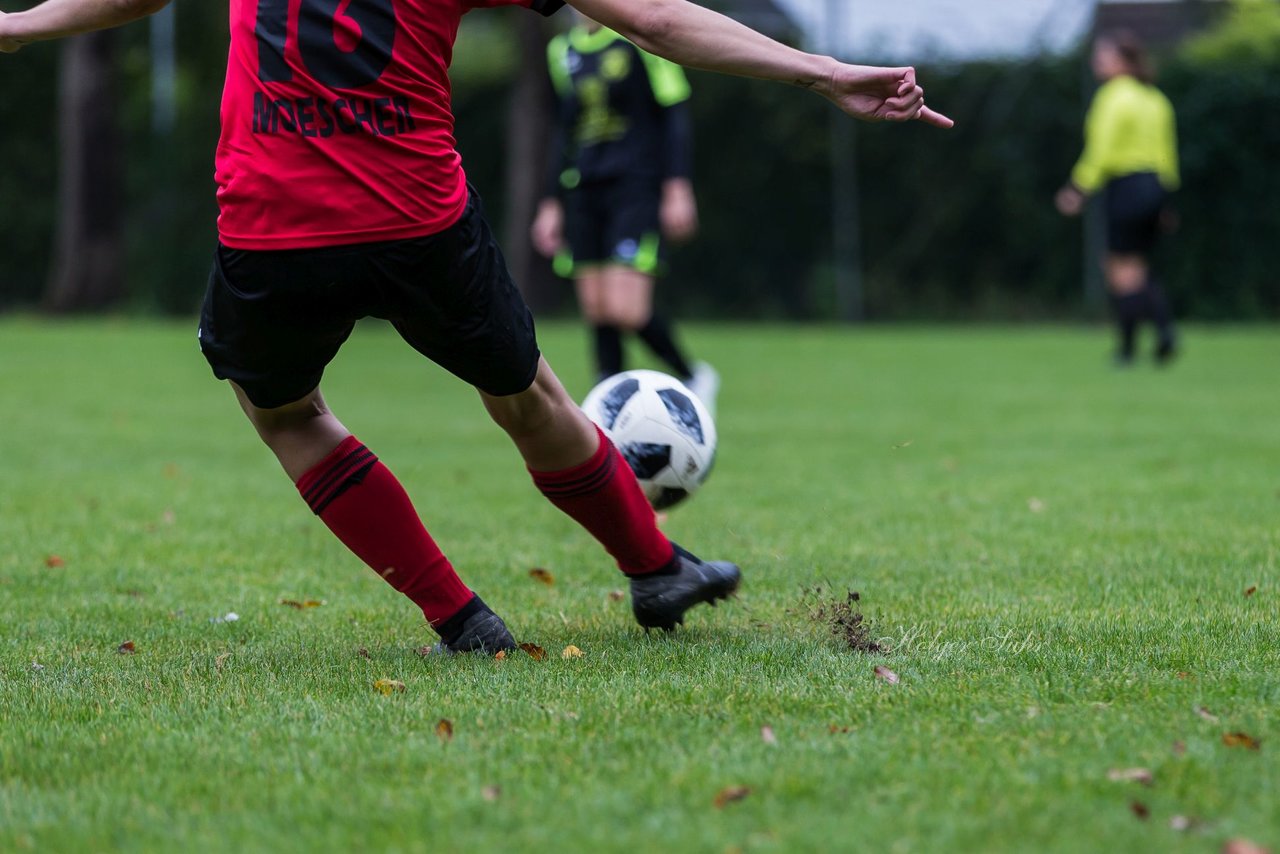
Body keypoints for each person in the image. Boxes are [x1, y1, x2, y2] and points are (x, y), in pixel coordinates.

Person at [0, 0, 951, 655]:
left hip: (274, 220)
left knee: (286, 414)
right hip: (418, 219)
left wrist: (20, 25)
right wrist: (822, 71)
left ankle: (461, 621)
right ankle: (656, 569)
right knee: (529, 394)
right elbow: (655, 19)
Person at [531, 12, 716, 408]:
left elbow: (674, 115)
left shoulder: (641, 39)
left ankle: (693, 375)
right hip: (582, 188)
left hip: (635, 186)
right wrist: (550, 203)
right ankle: (609, 402)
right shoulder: (561, 51)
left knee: (626, 308)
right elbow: (565, 129)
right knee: (598, 308)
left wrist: (677, 186)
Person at [1056, 30, 1180, 366]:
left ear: (1123, 62)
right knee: (1136, 266)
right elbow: (1167, 155)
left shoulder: (1113, 97)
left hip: (1126, 186)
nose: (1097, 62)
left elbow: (1102, 151)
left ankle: (1128, 349)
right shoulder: (1155, 99)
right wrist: (1167, 202)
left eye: (1103, 56)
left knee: (1118, 269)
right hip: (1155, 187)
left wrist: (1078, 189)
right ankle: (1164, 331)